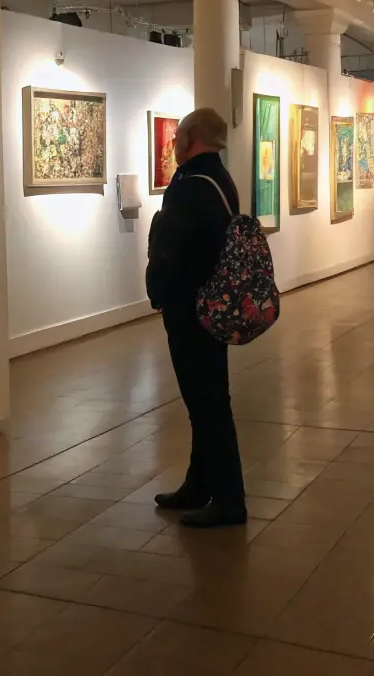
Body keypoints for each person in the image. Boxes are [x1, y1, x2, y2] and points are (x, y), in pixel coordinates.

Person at [145, 107, 246, 528]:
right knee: (205, 402)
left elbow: (176, 250)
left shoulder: (191, 186)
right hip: (208, 305)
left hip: (192, 308)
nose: (173, 142)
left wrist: (161, 291)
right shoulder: (217, 177)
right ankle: (199, 484)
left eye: (178, 135)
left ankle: (228, 500)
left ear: (191, 138)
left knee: (207, 404)